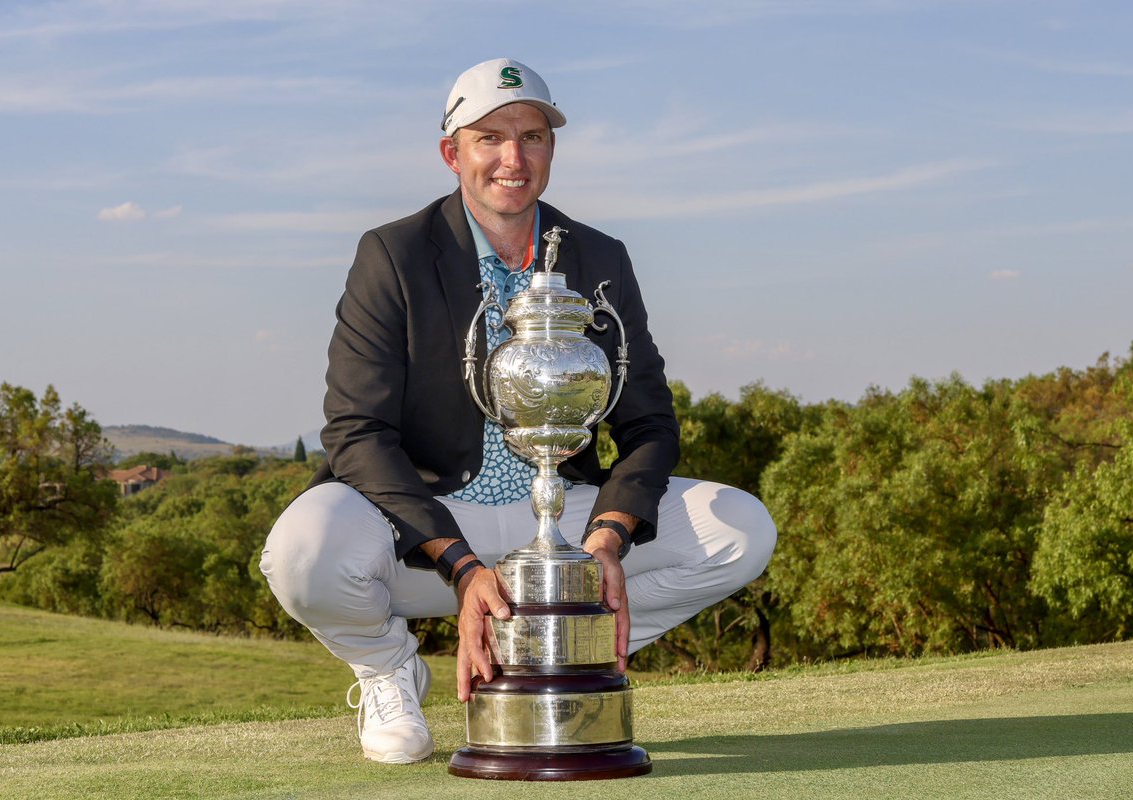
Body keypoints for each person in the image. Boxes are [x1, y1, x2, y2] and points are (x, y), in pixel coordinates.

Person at [259, 58, 777, 765]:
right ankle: (388, 668)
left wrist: (607, 541)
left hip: (562, 518)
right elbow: (356, 432)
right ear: (453, 153)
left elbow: (650, 423)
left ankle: (553, 653)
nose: (513, 158)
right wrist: (466, 567)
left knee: (742, 529)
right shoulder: (392, 254)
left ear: (551, 150)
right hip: (432, 520)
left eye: (532, 137)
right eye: (489, 139)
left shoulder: (601, 256)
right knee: (300, 553)